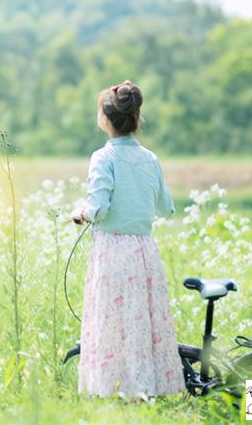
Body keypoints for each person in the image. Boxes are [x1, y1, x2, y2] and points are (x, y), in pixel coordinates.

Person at [70, 80, 185, 403]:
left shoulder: (103, 158)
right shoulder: (150, 158)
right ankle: (143, 389)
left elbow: (98, 209)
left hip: (113, 251)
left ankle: (115, 390)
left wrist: (80, 212)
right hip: (144, 252)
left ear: (106, 119)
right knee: (141, 322)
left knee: (112, 321)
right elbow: (167, 207)